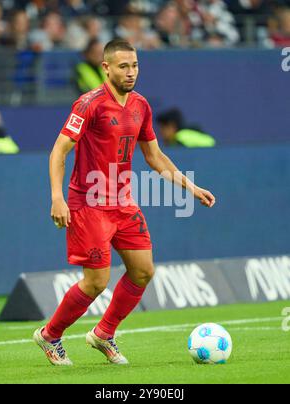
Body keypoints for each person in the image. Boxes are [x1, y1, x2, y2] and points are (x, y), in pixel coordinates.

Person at [33, 39, 216, 366]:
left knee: (143, 271)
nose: (130, 73)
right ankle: (49, 335)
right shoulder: (88, 104)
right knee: (96, 282)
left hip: (123, 202)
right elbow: (59, 151)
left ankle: (103, 334)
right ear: (106, 68)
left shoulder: (141, 106)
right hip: (88, 203)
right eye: (123, 66)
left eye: (134, 66)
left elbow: (154, 156)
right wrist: (57, 197)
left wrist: (190, 186)